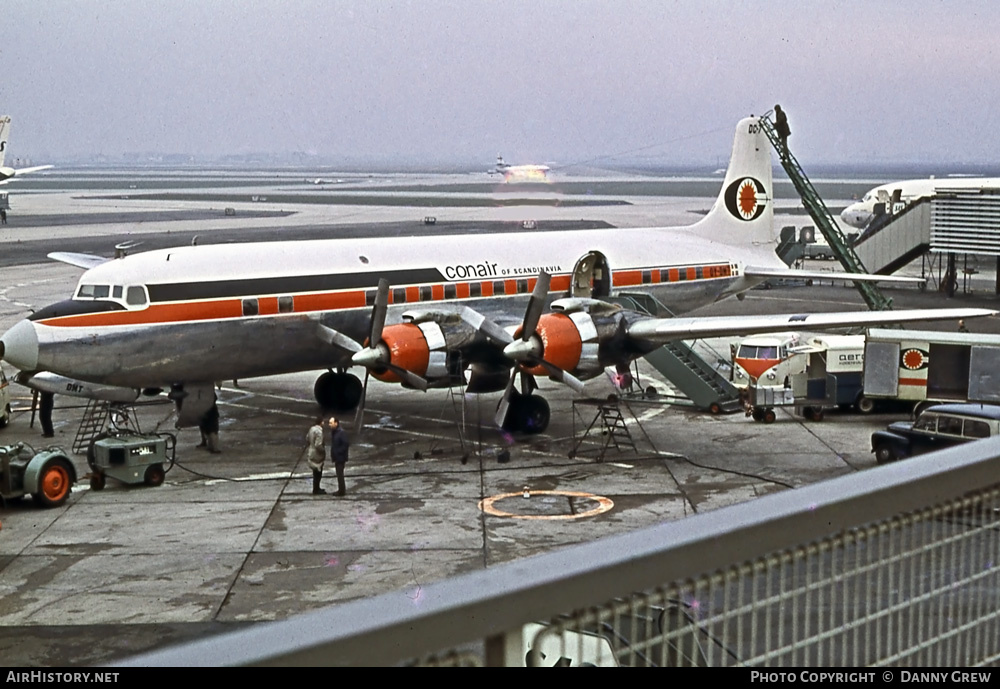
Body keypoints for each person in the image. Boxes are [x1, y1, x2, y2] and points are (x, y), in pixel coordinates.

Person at [328, 416, 349, 496]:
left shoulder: (341, 433)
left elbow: (345, 444)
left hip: (340, 457)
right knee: (339, 474)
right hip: (337, 457)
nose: (329, 425)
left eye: (331, 423)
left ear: (336, 423)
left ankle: (341, 490)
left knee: (340, 474)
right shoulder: (335, 432)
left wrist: (338, 452)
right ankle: (341, 489)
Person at [306, 415, 326, 495]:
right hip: (317, 454)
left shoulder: (311, 429)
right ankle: (316, 489)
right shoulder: (319, 432)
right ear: (321, 422)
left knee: (315, 472)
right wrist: (323, 451)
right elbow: (318, 445)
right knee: (318, 471)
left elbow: (307, 438)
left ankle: (316, 488)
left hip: (311, 451)